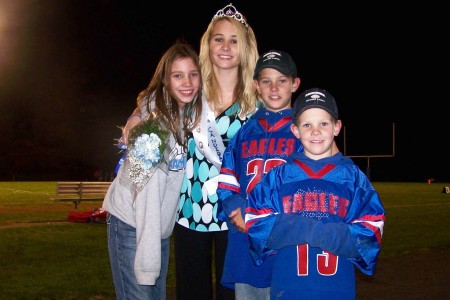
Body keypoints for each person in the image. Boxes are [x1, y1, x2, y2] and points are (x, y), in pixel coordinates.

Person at [120, 4, 259, 299]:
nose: (225, 47)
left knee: (230, 294)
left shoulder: (255, 104)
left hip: (234, 215)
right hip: (189, 213)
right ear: (207, 44)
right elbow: (156, 97)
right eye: (218, 38)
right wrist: (135, 115)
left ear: (245, 48)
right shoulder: (193, 91)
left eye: (234, 40)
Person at [245, 88, 386, 300]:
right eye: (307, 125)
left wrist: (316, 233)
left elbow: (371, 233)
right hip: (288, 289)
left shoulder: (353, 179)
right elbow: (256, 224)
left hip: (337, 290)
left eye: (324, 123)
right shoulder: (280, 177)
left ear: (337, 127)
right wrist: (311, 229)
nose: (315, 131)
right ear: (295, 130)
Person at [102, 40, 202, 300]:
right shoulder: (154, 129)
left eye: (193, 75)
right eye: (177, 76)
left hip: (157, 229)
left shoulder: (187, 116)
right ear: (165, 81)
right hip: (131, 223)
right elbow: (143, 191)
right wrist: (148, 264)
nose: (187, 83)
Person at [216, 50, 303, 299]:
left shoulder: (302, 131)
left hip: (283, 242)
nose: (274, 88)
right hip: (246, 241)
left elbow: (306, 183)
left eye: (282, 80)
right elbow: (227, 177)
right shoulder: (244, 133)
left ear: (295, 84)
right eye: (266, 81)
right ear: (256, 86)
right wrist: (236, 209)